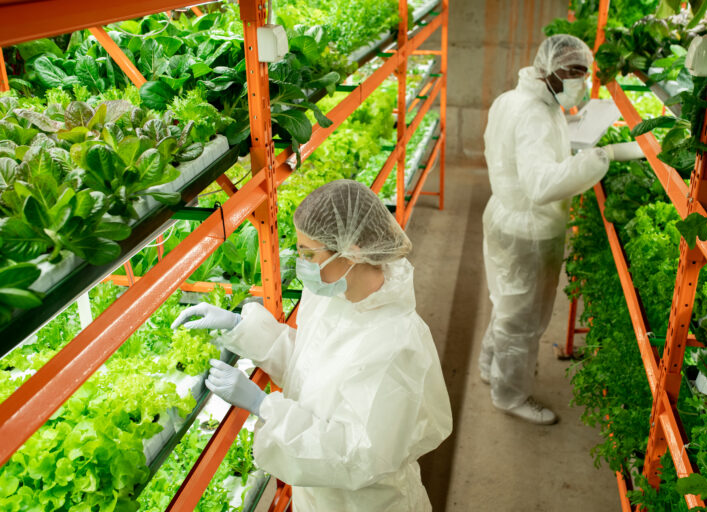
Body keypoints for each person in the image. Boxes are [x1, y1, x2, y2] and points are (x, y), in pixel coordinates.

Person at [172, 179, 452, 512]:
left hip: (368, 504)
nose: (302, 262)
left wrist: (265, 406)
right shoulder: (334, 295)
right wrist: (241, 328)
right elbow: (311, 363)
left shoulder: (395, 343)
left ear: (353, 250)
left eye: (309, 253)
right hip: (319, 498)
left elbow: (357, 455)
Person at [479, 34, 645, 425]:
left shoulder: (518, 99)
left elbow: (521, 153)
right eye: (575, 72)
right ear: (550, 68)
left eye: (584, 74)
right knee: (524, 320)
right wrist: (603, 156)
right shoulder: (535, 114)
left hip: (504, 214)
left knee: (506, 303)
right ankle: (510, 396)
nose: (581, 82)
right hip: (529, 230)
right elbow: (541, 186)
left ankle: (491, 366)